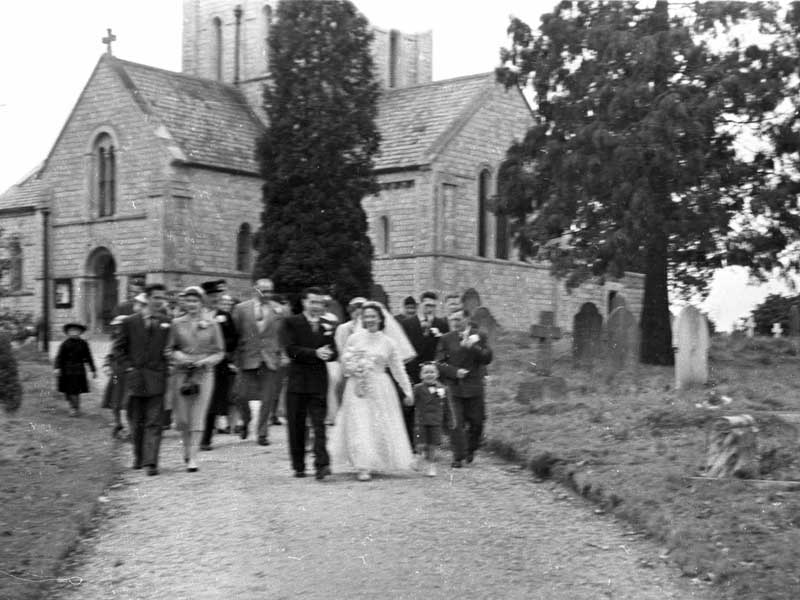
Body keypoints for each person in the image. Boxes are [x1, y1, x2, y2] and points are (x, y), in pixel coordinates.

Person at [330, 301, 416, 482]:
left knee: (376, 423)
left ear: (380, 319)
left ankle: (376, 460)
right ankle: (363, 465)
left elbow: (398, 369)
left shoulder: (388, 342)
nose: (369, 320)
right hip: (357, 386)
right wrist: (354, 368)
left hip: (380, 386)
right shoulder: (354, 338)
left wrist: (408, 391)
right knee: (360, 423)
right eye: (366, 316)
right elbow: (345, 363)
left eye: (373, 316)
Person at [114, 283, 172, 476]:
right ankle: (139, 456)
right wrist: (129, 368)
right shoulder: (130, 322)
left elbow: (169, 350)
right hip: (135, 379)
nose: (159, 301)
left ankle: (151, 462)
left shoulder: (166, 322)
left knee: (154, 422)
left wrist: (165, 367)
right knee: (136, 421)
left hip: (157, 378)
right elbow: (119, 350)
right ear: (147, 298)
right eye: (156, 297)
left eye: (162, 298)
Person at [283, 287, 338, 480]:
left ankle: (322, 464)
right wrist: (315, 353)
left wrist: (330, 353)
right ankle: (298, 465)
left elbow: (334, 351)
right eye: (312, 302)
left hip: (318, 380)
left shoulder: (327, 324)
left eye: (320, 303)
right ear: (304, 302)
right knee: (296, 424)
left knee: (319, 424)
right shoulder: (292, 322)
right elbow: (290, 349)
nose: (316, 306)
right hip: (297, 381)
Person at [168, 286, 225, 472]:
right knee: (183, 418)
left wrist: (206, 361)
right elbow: (169, 349)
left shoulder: (212, 324)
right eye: (189, 301)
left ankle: (193, 457)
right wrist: (179, 357)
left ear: (202, 303)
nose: (192, 305)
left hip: (204, 374)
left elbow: (220, 351)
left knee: (198, 415)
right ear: (184, 303)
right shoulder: (176, 323)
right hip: (182, 373)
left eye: (195, 301)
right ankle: (186, 448)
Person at [232, 278, 286, 445]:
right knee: (240, 395)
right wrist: (234, 358)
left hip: (269, 357)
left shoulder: (279, 310)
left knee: (268, 397)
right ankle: (246, 419)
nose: (268, 294)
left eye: (270, 291)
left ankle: (262, 433)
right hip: (247, 356)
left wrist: (282, 354)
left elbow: (282, 335)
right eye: (264, 290)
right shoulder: (241, 309)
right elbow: (236, 333)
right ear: (256, 289)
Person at [436, 310, 493, 468]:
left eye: (458, 319)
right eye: (452, 319)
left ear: (467, 319)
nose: (455, 322)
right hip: (455, 387)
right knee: (456, 423)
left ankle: (470, 449)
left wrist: (473, 347)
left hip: (474, 386)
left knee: (477, 422)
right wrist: (454, 372)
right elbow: (439, 363)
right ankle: (457, 456)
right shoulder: (446, 339)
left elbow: (488, 357)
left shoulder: (479, 335)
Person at [399, 291, 450, 446]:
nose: (430, 309)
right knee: (410, 407)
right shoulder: (408, 324)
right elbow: (402, 349)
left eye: (433, 306)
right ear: (420, 305)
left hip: (432, 372)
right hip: (412, 370)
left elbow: (444, 349)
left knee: (430, 407)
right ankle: (409, 443)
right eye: (427, 305)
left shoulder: (441, 324)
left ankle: (430, 442)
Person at [200, 280, 239, 451]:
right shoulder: (197, 314)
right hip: (196, 362)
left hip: (218, 364)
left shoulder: (224, 315)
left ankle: (206, 438)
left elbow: (234, 338)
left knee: (212, 401)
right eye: (212, 295)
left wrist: (220, 344)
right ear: (204, 297)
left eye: (217, 295)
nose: (216, 298)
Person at [412, 362, 451, 477]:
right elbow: (412, 402)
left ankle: (431, 466)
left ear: (437, 374)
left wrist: (450, 419)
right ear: (421, 375)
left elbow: (447, 406)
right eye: (426, 372)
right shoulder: (417, 388)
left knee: (433, 445)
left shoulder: (443, 389)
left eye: (432, 372)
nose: (429, 375)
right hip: (421, 421)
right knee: (420, 443)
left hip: (435, 422)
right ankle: (418, 457)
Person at [53, 322, 96, 417]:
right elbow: (59, 357)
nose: (74, 332)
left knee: (76, 390)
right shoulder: (65, 344)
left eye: (76, 330)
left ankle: (75, 408)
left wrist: (93, 370)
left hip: (79, 370)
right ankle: (73, 406)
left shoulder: (84, 344)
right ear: (68, 332)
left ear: (80, 332)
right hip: (66, 370)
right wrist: (57, 368)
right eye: (71, 330)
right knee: (69, 390)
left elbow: (89, 357)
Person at [101, 315, 129, 437]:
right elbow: (110, 355)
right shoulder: (115, 341)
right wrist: (106, 365)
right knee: (114, 401)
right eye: (116, 327)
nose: (118, 330)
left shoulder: (133, 341)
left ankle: (131, 428)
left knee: (129, 402)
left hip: (128, 375)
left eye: (121, 327)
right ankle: (118, 423)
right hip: (116, 374)